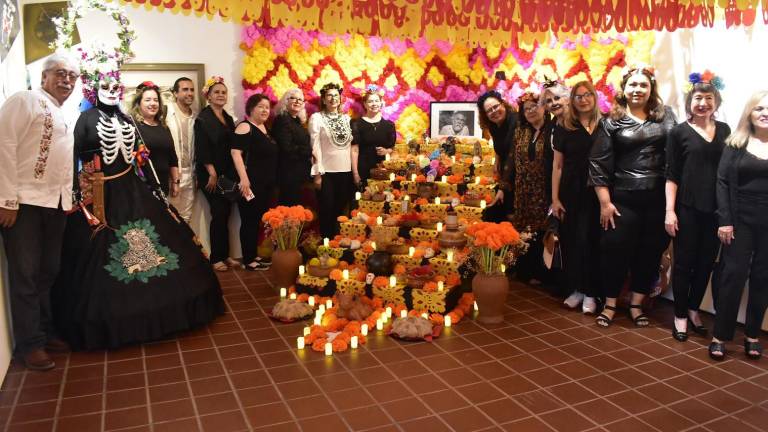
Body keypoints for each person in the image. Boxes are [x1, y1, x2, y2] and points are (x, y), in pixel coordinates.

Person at [52, 59, 224, 351]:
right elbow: (73, 155)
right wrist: (73, 190)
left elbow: (140, 158)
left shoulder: (126, 120)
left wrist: (156, 187)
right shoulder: (86, 119)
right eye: (105, 86)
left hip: (134, 187)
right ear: (95, 89)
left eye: (115, 86)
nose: (110, 90)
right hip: (103, 193)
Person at [0, 54, 78, 370]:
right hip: (25, 205)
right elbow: (3, 144)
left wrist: (67, 201)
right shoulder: (25, 99)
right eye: (61, 74)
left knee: (48, 271)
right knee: (26, 275)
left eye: (73, 76)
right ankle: (29, 344)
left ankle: (44, 333)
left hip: (55, 205)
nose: (67, 81)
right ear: (44, 76)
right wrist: (6, 199)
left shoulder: (60, 113)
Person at [589, 65, 676, 328]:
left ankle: (637, 304)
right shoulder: (610, 121)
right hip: (622, 200)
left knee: (649, 254)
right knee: (614, 252)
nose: (637, 90)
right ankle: (611, 304)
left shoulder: (667, 118)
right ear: (624, 89)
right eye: (632, 85)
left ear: (651, 90)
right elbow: (597, 163)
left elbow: (677, 153)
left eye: (643, 85)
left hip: (657, 200)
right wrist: (605, 202)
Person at [665, 72, 729, 342]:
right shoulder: (678, 132)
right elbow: (671, 175)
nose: (703, 103)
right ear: (690, 101)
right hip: (687, 208)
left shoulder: (726, 131)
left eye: (708, 98)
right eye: (698, 98)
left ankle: (693, 309)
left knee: (705, 264)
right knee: (684, 265)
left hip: (715, 210)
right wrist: (670, 210)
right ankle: (679, 315)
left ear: (717, 101)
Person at [708, 90, 768, 361]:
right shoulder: (735, 143)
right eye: (759, 108)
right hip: (739, 221)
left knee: (763, 279)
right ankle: (720, 336)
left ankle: (753, 335)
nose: (764, 114)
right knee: (733, 276)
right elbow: (721, 183)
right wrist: (726, 220)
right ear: (750, 113)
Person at [551, 81, 602, 314]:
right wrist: (555, 198)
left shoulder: (606, 124)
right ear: (572, 100)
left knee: (593, 242)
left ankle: (592, 292)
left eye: (587, 95)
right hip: (571, 191)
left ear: (594, 97)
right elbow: (558, 166)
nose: (583, 99)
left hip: (599, 192)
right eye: (578, 96)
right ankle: (577, 289)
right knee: (573, 241)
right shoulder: (564, 126)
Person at [499, 90, 552, 284]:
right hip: (523, 190)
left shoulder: (553, 129)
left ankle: (541, 273)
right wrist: (503, 186)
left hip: (543, 190)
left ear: (544, 108)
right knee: (523, 228)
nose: (530, 111)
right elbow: (511, 160)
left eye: (534, 107)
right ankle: (525, 270)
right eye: (526, 108)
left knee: (541, 230)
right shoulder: (521, 131)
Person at [194, 76, 237, 272]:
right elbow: (202, 148)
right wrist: (211, 172)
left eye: (223, 92)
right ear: (208, 96)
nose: (221, 95)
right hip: (210, 175)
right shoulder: (203, 118)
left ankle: (226, 254)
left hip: (227, 175)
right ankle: (215, 258)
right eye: (216, 92)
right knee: (218, 213)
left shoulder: (227, 117)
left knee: (226, 214)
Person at [231, 94, 278, 271]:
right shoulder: (245, 126)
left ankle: (253, 254)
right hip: (250, 185)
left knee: (256, 219)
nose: (265, 110)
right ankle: (248, 259)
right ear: (251, 109)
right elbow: (236, 153)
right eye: (261, 106)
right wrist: (244, 179)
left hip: (265, 184)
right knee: (249, 220)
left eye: (267, 107)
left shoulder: (265, 129)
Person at [310, 82, 353, 238]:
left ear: (340, 98)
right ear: (323, 99)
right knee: (326, 210)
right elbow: (314, 147)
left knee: (341, 211)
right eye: (329, 95)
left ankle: (338, 244)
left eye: (336, 95)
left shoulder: (347, 119)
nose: (333, 98)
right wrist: (317, 173)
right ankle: (326, 244)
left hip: (346, 172)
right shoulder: (317, 118)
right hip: (326, 173)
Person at [131, 81, 180, 197]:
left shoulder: (163, 127)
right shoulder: (133, 126)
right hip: (142, 187)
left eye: (156, 100)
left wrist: (175, 182)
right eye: (148, 100)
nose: (153, 103)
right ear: (139, 103)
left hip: (162, 185)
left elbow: (172, 157)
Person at [478, 90, 517, 221]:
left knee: (511, 215)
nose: (494, 111)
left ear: (503, 104)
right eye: (489, 110)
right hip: (505, 173)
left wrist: (502, 188)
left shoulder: (515, 121)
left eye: (496, 106)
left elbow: (512, 153)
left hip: (517, 174)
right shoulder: (494, 126)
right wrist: (497, 160)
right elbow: (501, 146)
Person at [272, 88, 312, 206]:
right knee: (288, 209)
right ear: (286, 101)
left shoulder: (296, 121)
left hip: (296, 173)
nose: (297, 101)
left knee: (294, 209)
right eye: (293, 98)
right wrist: (309, 151)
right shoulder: (282, 119)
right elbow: (286, 148)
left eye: (300, 99)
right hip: (287, 173)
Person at [351, 85, 396, 187]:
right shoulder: (356, 124)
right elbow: (354, 150)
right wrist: (355, 174)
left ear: (381, 103)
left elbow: (393, 149)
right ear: (365, 104)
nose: (374, 104)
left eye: (376, 101)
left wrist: (386, 151)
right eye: (370, 101)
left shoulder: (389, 125)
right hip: (363, 169)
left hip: (384, 171)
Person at [167, 77, 197, 222]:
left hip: (190, 174)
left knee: (186, 217)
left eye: (192, 90)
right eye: (185, 89)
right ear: (175, 93)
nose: (190, 93)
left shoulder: (195, 117)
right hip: (172, 175)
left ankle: (185, 245)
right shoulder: (166, 113)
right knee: (169, 217)